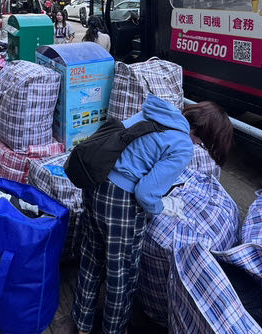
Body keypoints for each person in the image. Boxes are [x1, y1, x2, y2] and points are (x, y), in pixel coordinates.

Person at [72, 97, 234, 334]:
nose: (199, 146)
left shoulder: (157, 113)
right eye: (204, 143)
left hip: (95, 184)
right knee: (121, 275)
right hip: (119, 202)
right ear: (203, 135)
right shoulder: (182, 145)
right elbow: (145, 193)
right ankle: (114, 330)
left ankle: (82, 325)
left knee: (92, 257)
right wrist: (163, 206)